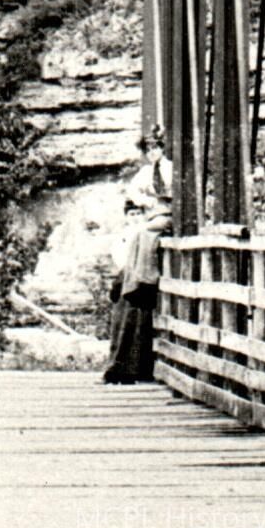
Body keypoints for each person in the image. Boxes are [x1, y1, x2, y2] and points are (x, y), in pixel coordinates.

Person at [103, 126, 173, 385]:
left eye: (156, 148)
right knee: (139, 234)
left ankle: (142, 275)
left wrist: (160, 198)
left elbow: (175, 192)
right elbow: (132, 192)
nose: (152, 153)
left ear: (162, 149)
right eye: (148, 150)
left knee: (143, 232)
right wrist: (145, 201)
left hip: (167, 214)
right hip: (152, 214)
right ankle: (135, 275)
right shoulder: (145, 172)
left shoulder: (170, 168)